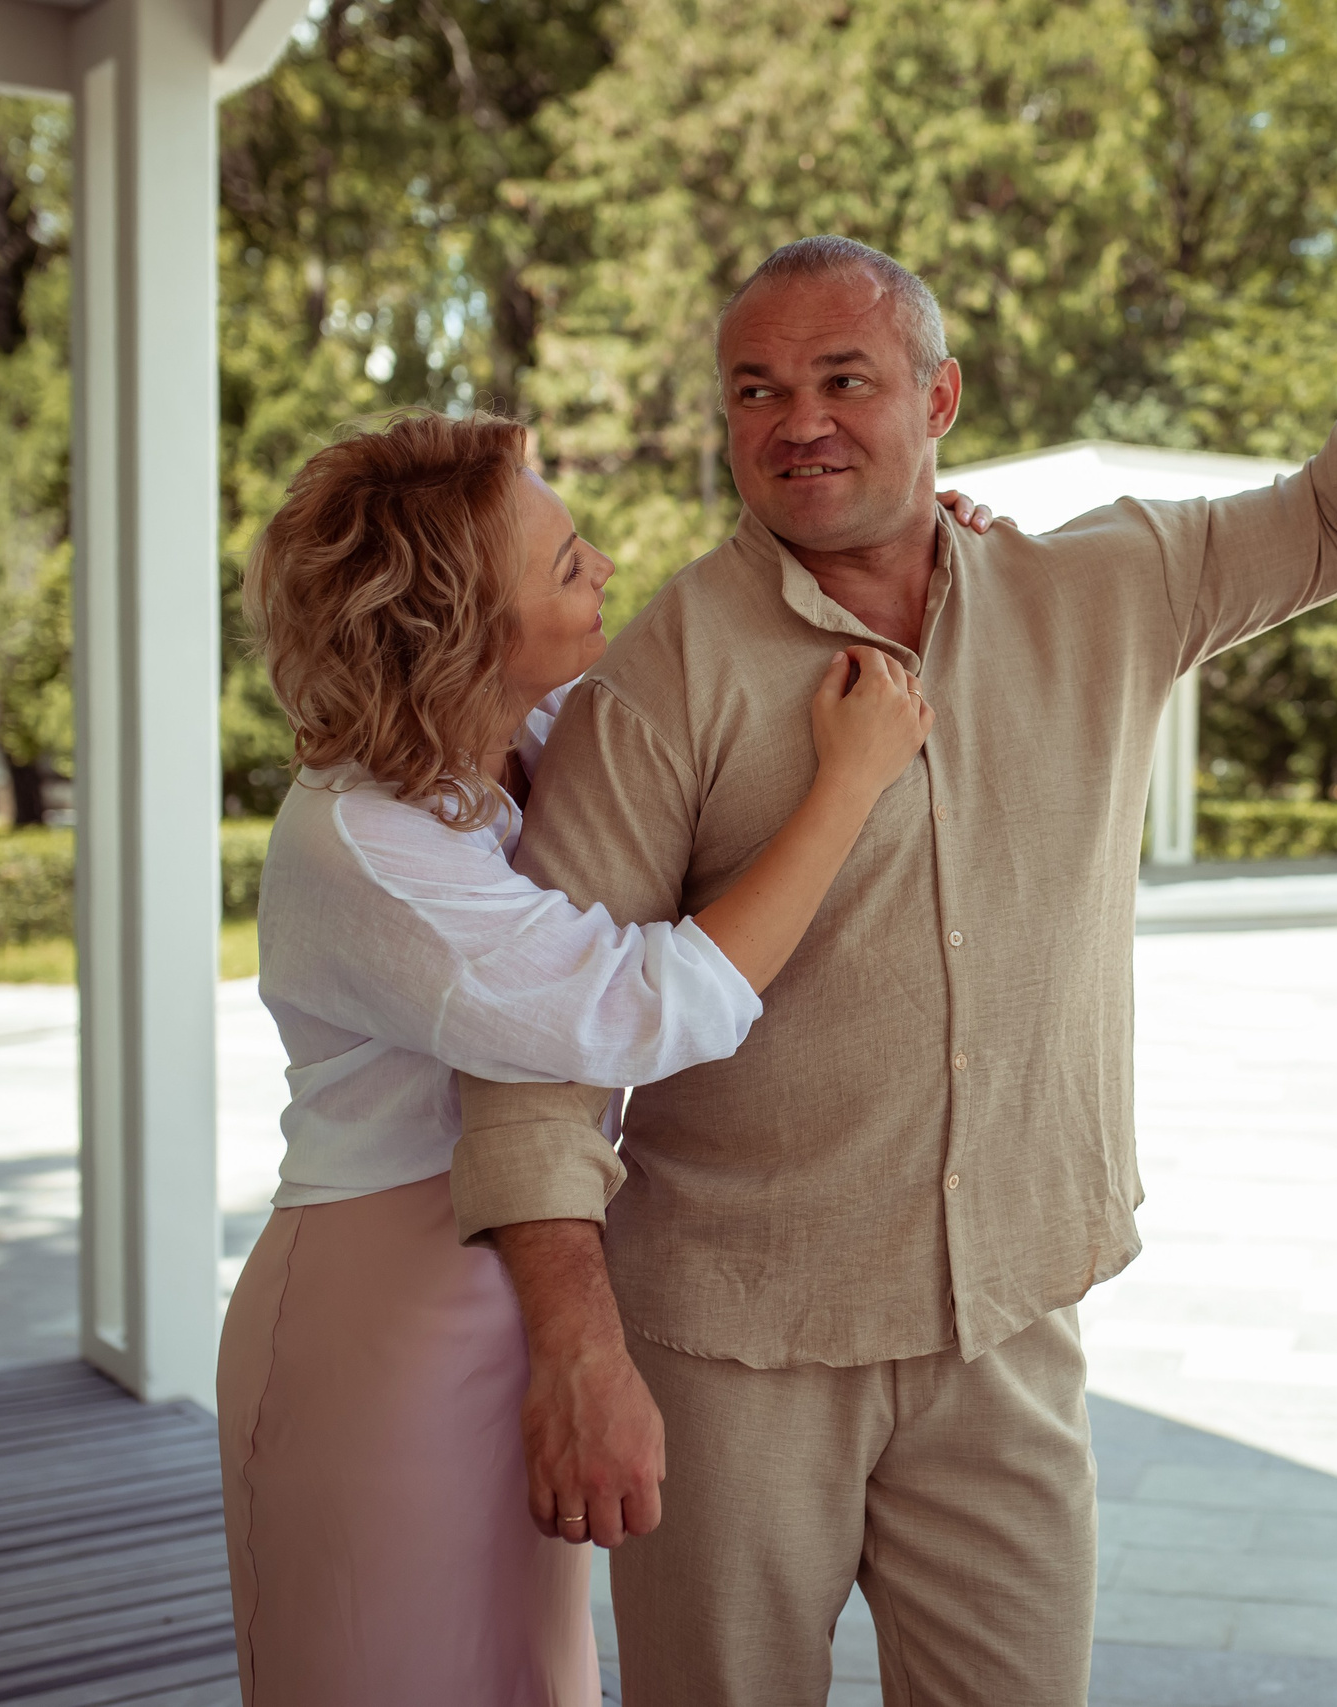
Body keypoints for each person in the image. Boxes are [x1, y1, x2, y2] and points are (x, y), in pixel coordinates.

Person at [451, 237, 1337, 1705]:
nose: (797, 422)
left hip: (1007, 1331)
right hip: (732, 1346)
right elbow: (535, 1063)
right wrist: (580, 1356)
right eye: (757, 390)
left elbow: (1327, 526)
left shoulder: (1103, 590)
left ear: (940, 397)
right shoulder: (658, 684)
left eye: (845, 380)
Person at [215, 409, 979, 1704]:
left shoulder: (521, 734)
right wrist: (848, 787)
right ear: (463, 630)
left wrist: (903, 543)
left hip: (518, 1286)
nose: (607, 569)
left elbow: (709, 664)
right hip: (385, 1307)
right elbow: (643, 1008)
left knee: (532, 1674)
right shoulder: (367, 849)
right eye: (569, 565)